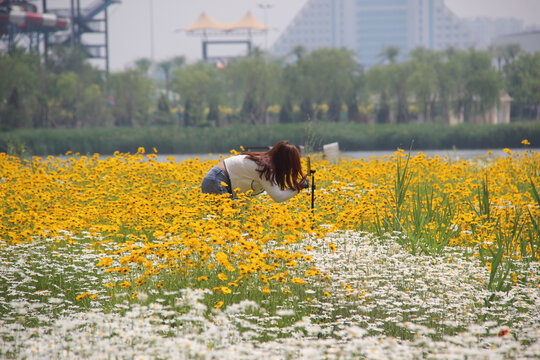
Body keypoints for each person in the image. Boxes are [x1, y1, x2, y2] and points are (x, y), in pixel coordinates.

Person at [201, 140, 309, 202]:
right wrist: (299, 188)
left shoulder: (264, 162)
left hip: (215, 178)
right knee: (224, 221)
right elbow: (278, 197)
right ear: (286, 162)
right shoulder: (266, 169)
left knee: (231, 219)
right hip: (217, 181)